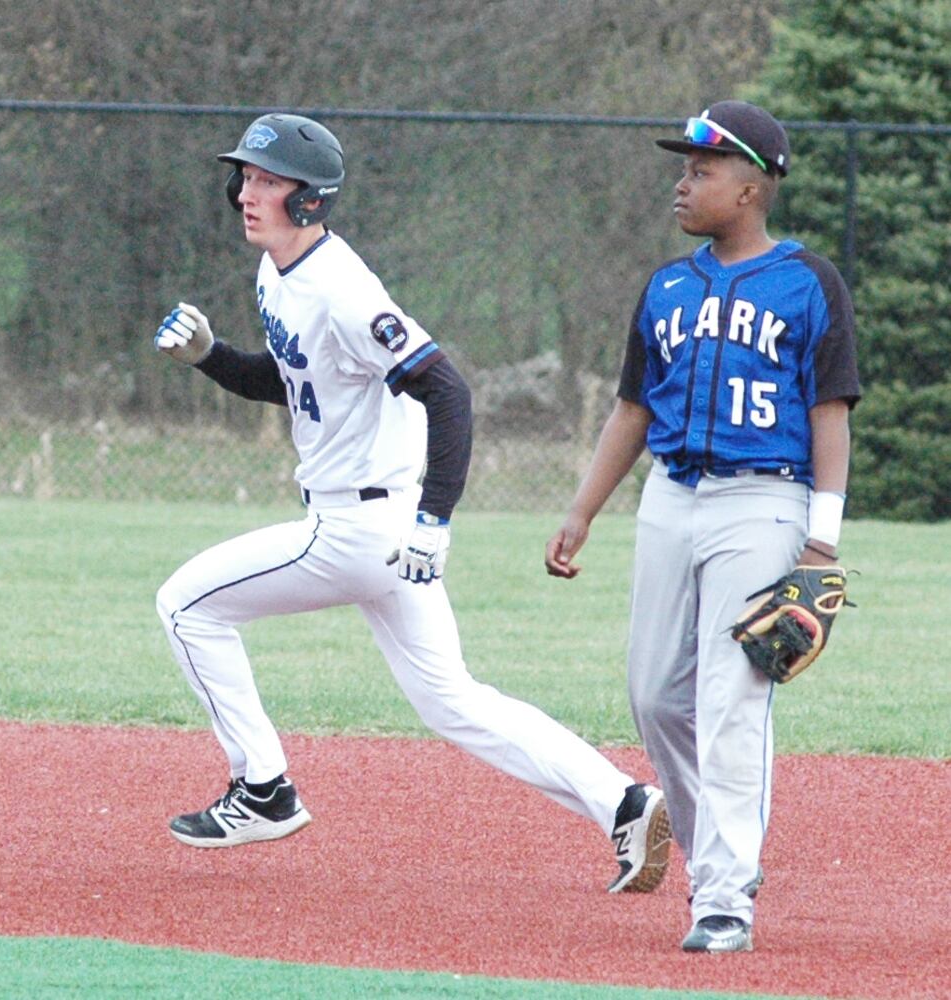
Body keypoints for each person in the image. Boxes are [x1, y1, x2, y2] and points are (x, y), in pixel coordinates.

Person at [152, 113, 671, 897]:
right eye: (246, 178)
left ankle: (263, 789)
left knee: (186, 604)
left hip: (359, 529)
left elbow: (446, 388)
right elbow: (292, 384)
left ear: (310, 202)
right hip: (375, 531)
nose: (248, 194)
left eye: (268, 181)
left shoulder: (344, 290)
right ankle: (625, 802)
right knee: (454, 702)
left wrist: (435, 520)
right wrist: (211, 359)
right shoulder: (278, 274)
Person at [544, 101, 861, 952]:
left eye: (702, 170)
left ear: (751, 187)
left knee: (733, 695)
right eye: (684, 169)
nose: (683, 184)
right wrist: (582, 510)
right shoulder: (667, 287)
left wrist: (820, 539)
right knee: (654, 694)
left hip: (765, 499)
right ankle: (717, 843)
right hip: (671, 497)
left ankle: (723, 895)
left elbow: (830, 412)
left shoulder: (808, 282)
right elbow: (632, 408)